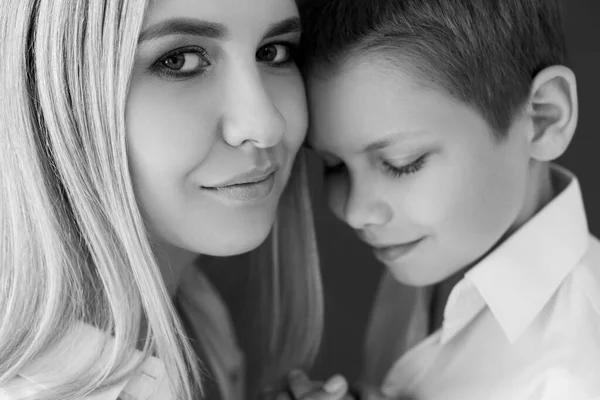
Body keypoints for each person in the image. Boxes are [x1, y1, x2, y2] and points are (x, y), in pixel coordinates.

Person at [0, 0, 325, 399]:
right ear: (50, 95)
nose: (266, 124)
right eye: (180, 60)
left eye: (273, 52)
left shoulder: (197, 310)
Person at [296, 0, 600, 398]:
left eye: (402, 163)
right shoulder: (427, 258)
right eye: (334, 165)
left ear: (543, 117)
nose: (354, 211)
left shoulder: (574, 374)